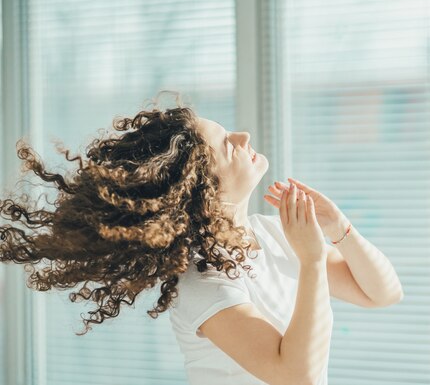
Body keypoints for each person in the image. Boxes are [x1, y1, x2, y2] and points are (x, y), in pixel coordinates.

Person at [0, 90, 403, 385]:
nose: (244, 137)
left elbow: (383, 294)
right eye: (228, 145)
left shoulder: (275, 234)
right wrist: (313, 261)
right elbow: (299, 376)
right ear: (204, 189)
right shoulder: (204, 284)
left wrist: (341, 231)